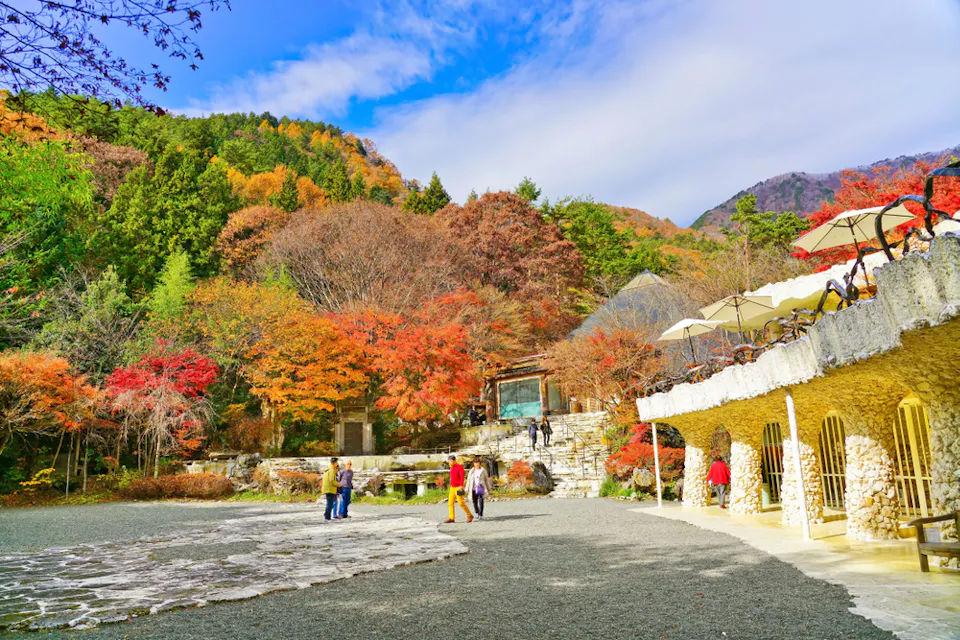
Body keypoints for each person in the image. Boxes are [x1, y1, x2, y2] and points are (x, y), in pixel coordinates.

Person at [444, 454, 473, 524]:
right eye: (449, 461)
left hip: (458, 487)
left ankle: (469, 515)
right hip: (452, 487)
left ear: (454, 460)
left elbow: (462, 477)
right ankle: (451, 518)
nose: (449, 463)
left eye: (450, 461)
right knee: (450, 503)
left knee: (460, 502)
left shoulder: (459, 467)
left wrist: (461, 486)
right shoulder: (451, 468)